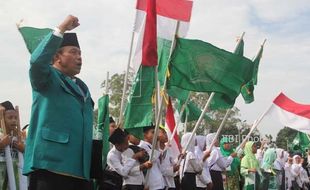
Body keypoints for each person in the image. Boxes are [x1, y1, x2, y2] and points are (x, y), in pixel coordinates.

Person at [23, 15, 94, 190]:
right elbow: (37, 61)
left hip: (81, 169)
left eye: (80, 53)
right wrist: (60, 29)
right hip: (51, 165)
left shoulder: (82, 87)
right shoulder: (47, 77)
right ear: (57, 56)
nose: (79, 57)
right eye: (73, 52)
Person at [0, 101, 25, 189]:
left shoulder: (20, 137)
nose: (14, 120)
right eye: (10, 118)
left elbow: (32, 154)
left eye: (15, 117)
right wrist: (1, 145)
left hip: (16, 179)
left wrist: (24, 149)